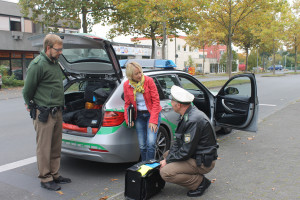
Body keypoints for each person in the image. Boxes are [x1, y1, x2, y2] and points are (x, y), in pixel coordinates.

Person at [23, 34, 71, 191]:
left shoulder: (55, 62)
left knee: (55, 146)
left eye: (61, 49)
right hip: (43, 112)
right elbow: (27, 90)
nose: (61, 52)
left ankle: (54, 174)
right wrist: (30, 105)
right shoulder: (37, 65)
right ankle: (45, 178)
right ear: (48, 48)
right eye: (58, 49)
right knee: (44, 147)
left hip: (57, 111)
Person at [159, 85, 218, 197]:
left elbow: (185, 151)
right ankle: (195, 177)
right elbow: (179, 141)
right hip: (196, 155)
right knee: (166, 155)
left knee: (165, 172)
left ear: (179, 104)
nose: (171, 103)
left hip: (203, 162)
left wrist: (168, 161)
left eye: (172, 101)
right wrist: (168, 158)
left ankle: (200, 183)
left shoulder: (193, 120)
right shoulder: (188, 114)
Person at [123, 62, 162, 161]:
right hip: (139, 116)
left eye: (140, 72)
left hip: (152, 114)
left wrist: (153, 121)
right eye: (136, 74)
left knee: (151, 143)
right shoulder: (127, 85)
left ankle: (150, 166)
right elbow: (127, 104)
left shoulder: (149, 81)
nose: (140, 75)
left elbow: (156, 102)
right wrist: (129, 119)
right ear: (130, 75)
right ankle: (144, 165)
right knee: (142, 145)